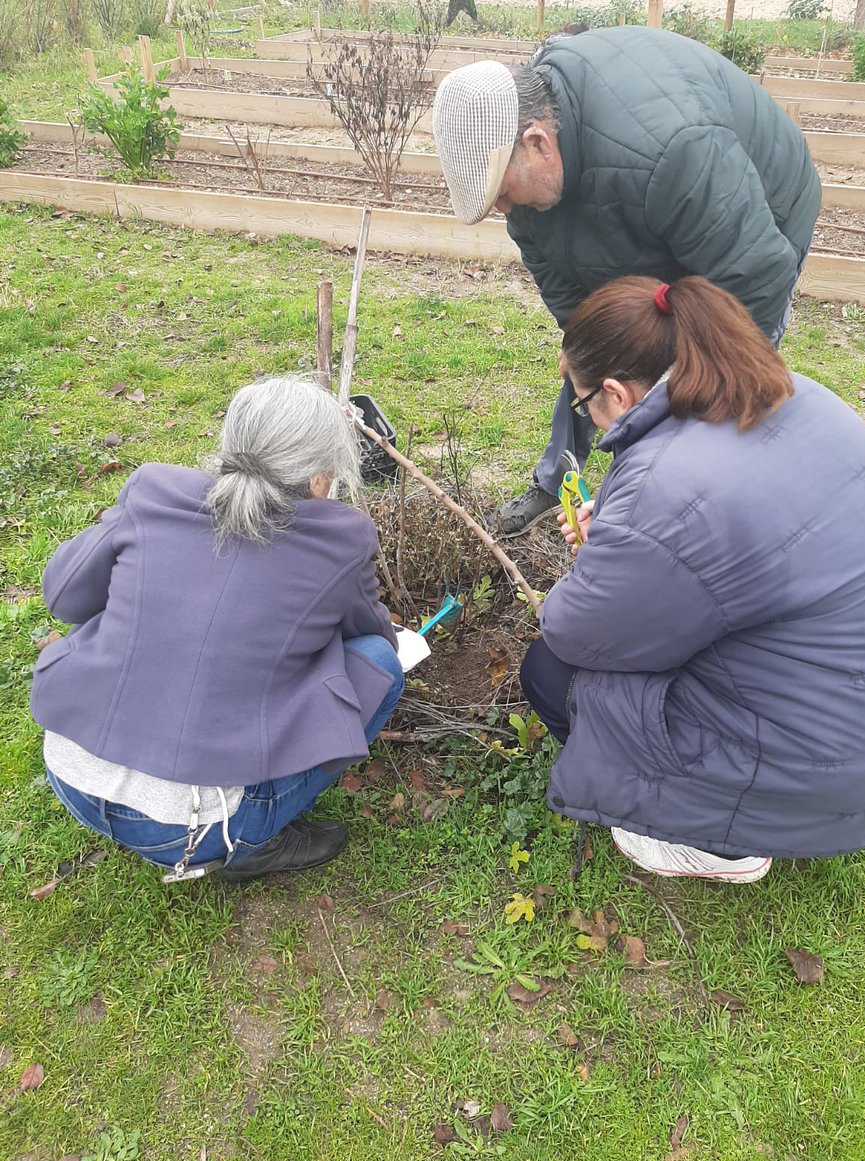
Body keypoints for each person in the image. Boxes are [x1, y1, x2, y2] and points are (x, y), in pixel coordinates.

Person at [519, 274, 865, 882]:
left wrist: (612, 552)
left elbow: (573, 630)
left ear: (616, 394)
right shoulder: (795, 394)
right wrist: (628, 540)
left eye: (581, 401)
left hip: (826, 769)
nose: (586, 415)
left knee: (550, 671)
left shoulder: (668, 484)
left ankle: (719, 844)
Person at [431, 27, 822, 535]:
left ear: (537, 143)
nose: (502, 209)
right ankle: (555, 483)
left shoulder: (673, 148)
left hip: (757, 219)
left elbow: (753, 274)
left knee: (713, 379)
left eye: (502, 193)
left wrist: (665, 398)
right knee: (592, 355)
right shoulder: (531, 186)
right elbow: (574, 303)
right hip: (648, 199)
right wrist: (590, 349)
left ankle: (695, 509)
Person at [30, 378, 404, 883]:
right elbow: (372, 635)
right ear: (320, 479)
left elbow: (65, 595)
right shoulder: (342, 537)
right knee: (380, 663)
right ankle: (251, 847)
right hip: (191, 829)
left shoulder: (152, 490)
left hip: (72, 773)